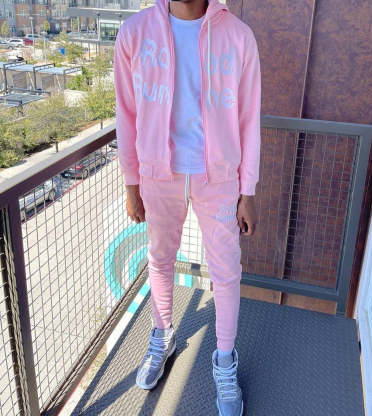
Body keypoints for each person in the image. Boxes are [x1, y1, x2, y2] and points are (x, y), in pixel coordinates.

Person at [113, 0, 261, 414]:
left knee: (226, 271)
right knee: (160, 259)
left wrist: (248, 190)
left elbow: (249, 118)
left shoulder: (239, 37)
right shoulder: (134, 33)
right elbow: (126, 113)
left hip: (219, 177)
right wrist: (131, 183)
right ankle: (162, 336)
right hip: (158, 173)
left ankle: (224, 360)